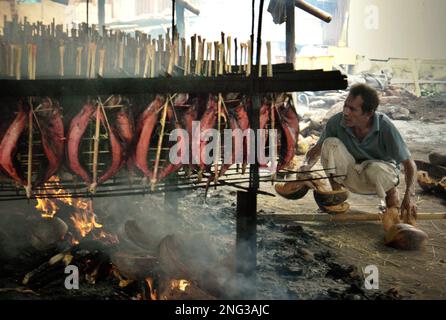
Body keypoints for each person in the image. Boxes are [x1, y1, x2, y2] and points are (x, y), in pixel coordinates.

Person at [300, 84, 417, 226]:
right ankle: (337, 197)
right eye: (345, 106)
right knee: (330, 143)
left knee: (376, 169)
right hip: (351, 174)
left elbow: (409, 164)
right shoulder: (337, 122)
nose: (345, 112)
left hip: (380, 177)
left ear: (369, 113)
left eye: (352, 109)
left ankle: (392, 202)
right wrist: (305, 167)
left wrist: (409, 195)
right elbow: (316, 150)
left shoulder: (385, 126)